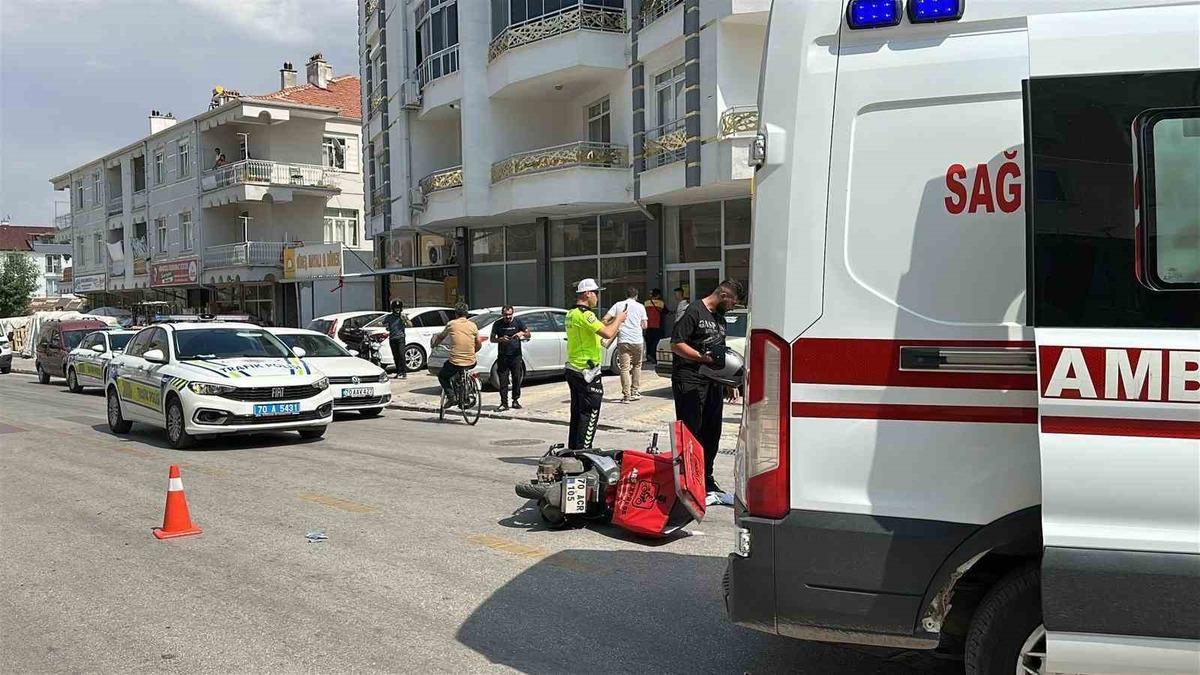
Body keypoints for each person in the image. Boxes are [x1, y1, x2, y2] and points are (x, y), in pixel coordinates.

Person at [671, 279, 744, 505]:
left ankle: (707, 480)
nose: (732, 307)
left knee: (712, 433)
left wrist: (728, 381)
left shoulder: (719, 318)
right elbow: (676, 344)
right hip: (690, 380)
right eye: (733, 302)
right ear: (724, 295)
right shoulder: (693, 311)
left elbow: (720, 351)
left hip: (713, 382)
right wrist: (701, 358)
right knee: (692, 433)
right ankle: (688, 482)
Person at [565, 279, 626, 449]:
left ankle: (574, 449)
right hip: (587, 371)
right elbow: (607, 333)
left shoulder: (571, 313)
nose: (597, 297)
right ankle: (584, 451)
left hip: (574, 368)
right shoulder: (586, 314)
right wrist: (619, 319)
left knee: (577, 412)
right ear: (587, 294)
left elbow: (598, 332)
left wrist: (611, 323)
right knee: (590, 412)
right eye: (596, 293)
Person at [605, 287, 648, 403]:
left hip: (623, 340)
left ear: (626, 295)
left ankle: (626, 396)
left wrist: (617, 322)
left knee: (624, 368)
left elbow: (605, 319)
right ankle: (635, 392)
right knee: (637, 365)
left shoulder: (618, 305)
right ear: (636, 296)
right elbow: (645, 325)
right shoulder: (640, 307)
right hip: (637, 340)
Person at [431, 303, 479, 403]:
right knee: (461, 371)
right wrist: (474, 351)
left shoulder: (451, 324)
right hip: (471, 361)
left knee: (443, 376)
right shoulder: (473, 325)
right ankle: (465, 394)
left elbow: (441, 337)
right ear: (467, 313)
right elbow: (478, 342)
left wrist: (434, 345)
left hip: (455, 362)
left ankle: (451, 396)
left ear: (456, 314)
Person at [490, 305, 530, 411]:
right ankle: (504, 403)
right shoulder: (497, 324)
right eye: (505, 315)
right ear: (502, 314)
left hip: (516, 355)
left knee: (516, 378)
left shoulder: (518, 322)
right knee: (503, 380)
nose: (508, 317)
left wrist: (521, 333)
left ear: (513, 313)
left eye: (509, 314)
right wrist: (501, 339)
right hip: (503, 355)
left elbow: (528, 334)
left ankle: (515, 400)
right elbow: (492, 339)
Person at [382, 300, 411, 379]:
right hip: (392, 338)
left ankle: (404, 372)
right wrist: (386, 327)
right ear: (393, 309)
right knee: (396, 356)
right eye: (396, 308)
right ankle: (398, 372)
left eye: (399, 308)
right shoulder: (389, 317)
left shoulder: (403, 316)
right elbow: (384, 324)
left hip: (401, 338)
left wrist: (405, 320)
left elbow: (410, 325)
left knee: (401, 354)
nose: (397, 309)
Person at [643, 288, 666, 364]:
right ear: (658, 295)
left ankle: (648, 355)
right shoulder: (661, 303)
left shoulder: (646, 303)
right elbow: (666, 312)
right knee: (656, 342)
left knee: (648, 341)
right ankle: (654, 356)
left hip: (648, 326)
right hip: (657, 326)